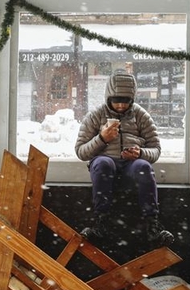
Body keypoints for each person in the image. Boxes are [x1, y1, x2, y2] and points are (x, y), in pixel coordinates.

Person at [74, 72, 174, 246]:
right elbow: (81, 151)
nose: (120, 105)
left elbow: (156, 149)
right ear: (108, 97)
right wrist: (102, 138)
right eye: (116, 100)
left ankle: (152, 226)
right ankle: (100, 223)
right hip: (105, 164)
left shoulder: (141, 116)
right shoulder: (95, 115)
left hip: (131, 165)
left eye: (126, 101)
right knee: (103, 163)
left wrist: (140, 153)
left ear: (132, 99)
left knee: (143, 167)